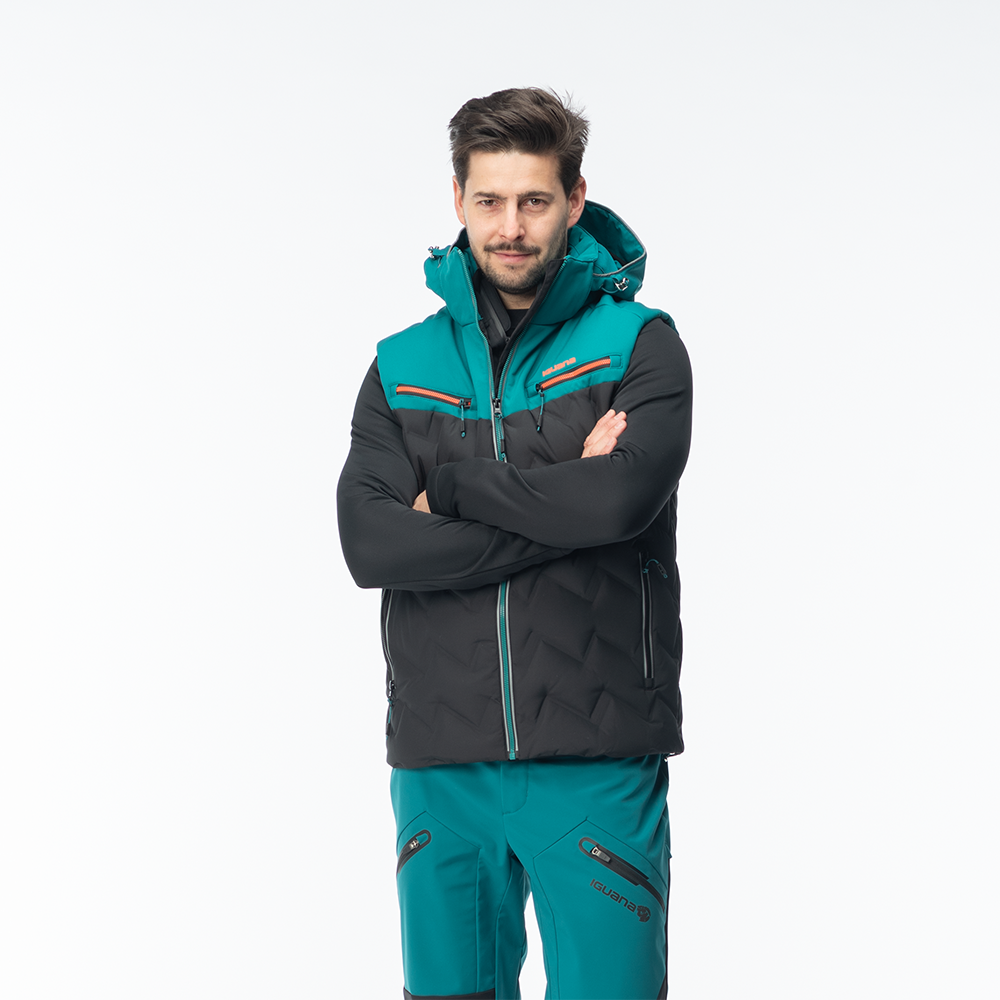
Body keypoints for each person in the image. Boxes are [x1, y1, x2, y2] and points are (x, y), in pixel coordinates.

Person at [337, 87, 692, 1000]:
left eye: (534, 201)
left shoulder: (639, 346)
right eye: (489, 201)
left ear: (575, 199)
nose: (510, 228)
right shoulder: (401, 367)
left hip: (596, 763)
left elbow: (620, 503)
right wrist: (565, 503)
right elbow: (372, 545)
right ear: (457, 198)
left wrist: (452, 489)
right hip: (440, 770)